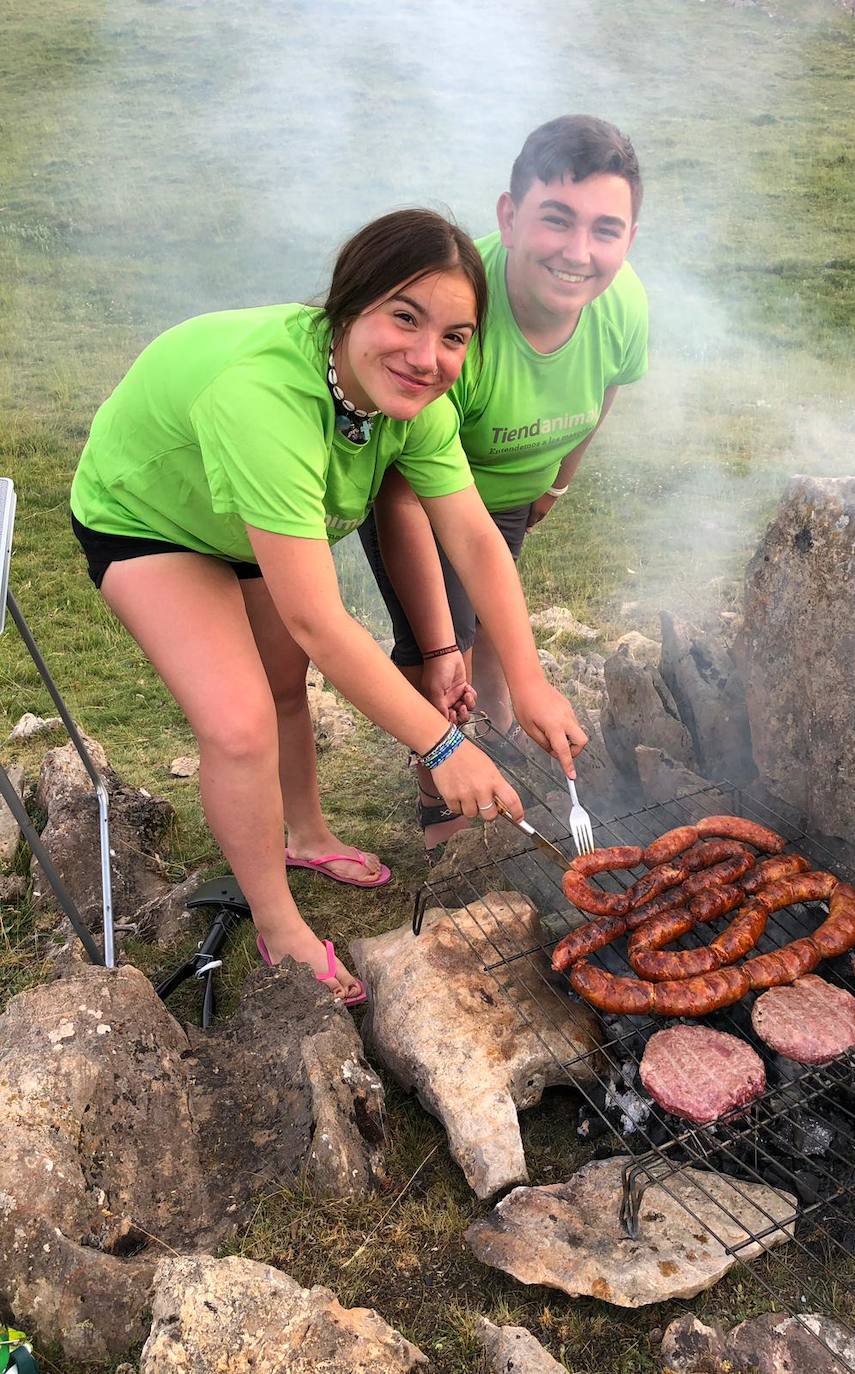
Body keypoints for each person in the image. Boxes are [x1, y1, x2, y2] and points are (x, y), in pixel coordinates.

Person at [70, 209, 586, 1002]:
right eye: (404, 318)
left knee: (285, 689)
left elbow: (476, 541)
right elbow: (317, 618)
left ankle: (307, 835)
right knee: (238, 725)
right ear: (348, 306)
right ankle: (280, 927)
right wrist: (443, 749)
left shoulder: (417, 400)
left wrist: (530, 680)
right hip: (149, 516)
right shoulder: (265, 396)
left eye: (454, 336)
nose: (427, 357)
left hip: (252, 517)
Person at [359, 115, 648, 849]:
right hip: (416, 496)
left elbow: (603, 392)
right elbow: (402, 492)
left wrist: (555, 486)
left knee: (492, 634)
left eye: (605, 229)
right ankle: (448, 825)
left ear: (629, 237)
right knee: (444, 653)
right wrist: (436, 649)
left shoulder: (621, 305)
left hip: (510, 489)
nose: (579, 252)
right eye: (557, 219)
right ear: (510, 217)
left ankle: (499, 759)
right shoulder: (461, 321)